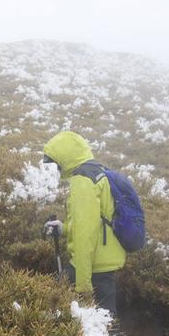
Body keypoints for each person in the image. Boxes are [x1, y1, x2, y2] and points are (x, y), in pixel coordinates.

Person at [42, 131, 126, 317]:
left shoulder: (83, 180)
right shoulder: (97, 172)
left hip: (91, 266)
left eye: (55, 162)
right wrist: (64, 228)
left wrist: (83, 286)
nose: (56, 168)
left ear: (65, 157)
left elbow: (84, 235)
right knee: (106, 322)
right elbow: (94, 223)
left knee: (52, 305)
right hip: (104, 264)